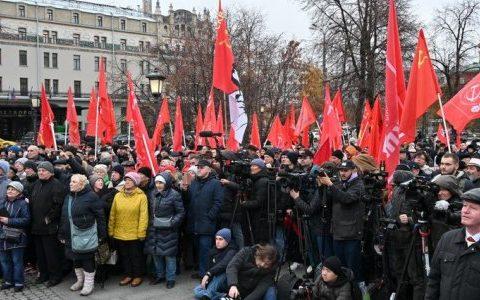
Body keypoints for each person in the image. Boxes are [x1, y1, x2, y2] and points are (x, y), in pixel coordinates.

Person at [425, 188, 480, 300]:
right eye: (464, 206)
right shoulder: (447, 238)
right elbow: (434, 280)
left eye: (473, 208)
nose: (465, 211)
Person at [318, 160, 365, 286]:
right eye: (341, 171)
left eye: (345, 170)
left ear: (353, 170)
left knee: (353, 269)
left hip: (352, 233)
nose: (342, 173)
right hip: (338, 231)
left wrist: (330, 185)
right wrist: (321, 186)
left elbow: (346, 199)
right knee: (340, 268)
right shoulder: (338, 183)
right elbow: (326, 200)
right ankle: (342, 291)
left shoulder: (358, 184)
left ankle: (357, 292)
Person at [58, 174, 106, 296]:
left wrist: (101, 234)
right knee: (75, 259)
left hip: (86, 234)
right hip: (70, 234)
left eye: (74, 182)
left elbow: (100, 216)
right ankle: (80, 280)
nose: (70, 183)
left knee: (87, 259)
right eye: (71, 181)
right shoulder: (68, 196)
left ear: (82, 184)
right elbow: (64, 217)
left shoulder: (91, 196)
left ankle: (89, 284)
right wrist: (62, 234)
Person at [145, 172, 185, 289]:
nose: (158, 185)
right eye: (157, 182)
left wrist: (172, 223)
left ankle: (170, 278)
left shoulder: (174, 195)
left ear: (166, 183)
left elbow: (180, 212)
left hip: (169, 230)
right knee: (156, 254)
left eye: (161, 182)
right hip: (154, 229)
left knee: (169, 256)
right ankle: (160, 275)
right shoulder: (152, 194)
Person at [108, 172, 148, 287]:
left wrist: (141, 232)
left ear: (135, 183)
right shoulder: (118, 195)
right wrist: (111, 229)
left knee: (135, 256)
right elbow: (113, 214)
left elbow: (143, 216)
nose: (127, 182)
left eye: (130, 180)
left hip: (134, 233)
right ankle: (128, 275)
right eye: (126, 180)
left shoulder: (141, 196)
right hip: (120, 232)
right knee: (124, 256)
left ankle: (137, 276)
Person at [185, 160, 224, 278]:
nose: (199, 169)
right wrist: (184, 190)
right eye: (198, 167)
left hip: (207, 222)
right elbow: (189, 200)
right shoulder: (194, 183)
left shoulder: (215, 183)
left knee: (205, 249)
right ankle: (202, 271)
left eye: (202, 167)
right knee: (198, 248)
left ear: (208, 169)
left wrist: (210, 216)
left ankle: (206, 273)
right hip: (194, 222)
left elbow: (218, 202)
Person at [30, 161, 66, 287]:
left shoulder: (56, 185)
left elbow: (58, 205)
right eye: (39, 170)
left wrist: (49, 218)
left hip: (49, 226)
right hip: (36, 226)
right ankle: (44, 274)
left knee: (51, 254)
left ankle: (55, 276)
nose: (40, 172)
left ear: (50, 172)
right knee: (40, 254)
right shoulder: (36, 184)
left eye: (43, 170)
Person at [0, 181, 30, 292]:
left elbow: (26, 220)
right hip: (2, 236)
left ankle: (18, 282)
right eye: (9, 189)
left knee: (17, 261)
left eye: (13, 189)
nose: (10, 191)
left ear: (19, 192)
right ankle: (8, 281)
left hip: (17, 237)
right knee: (4, 260)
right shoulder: (3, 202)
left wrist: (9, 220)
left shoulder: (23, 203)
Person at [193, 228, 237, 300]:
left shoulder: (232, 250)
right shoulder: (213, 251)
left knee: (222, 273)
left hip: (225, 281)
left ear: (227, 240)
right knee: (196, 291)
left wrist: (208, 274)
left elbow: (224, 264)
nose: (217, 242)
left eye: (220, 239)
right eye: (216, 239)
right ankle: (224, 296)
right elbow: (209, 267)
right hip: (214, 282)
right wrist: (207, 280)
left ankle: (208, 295)